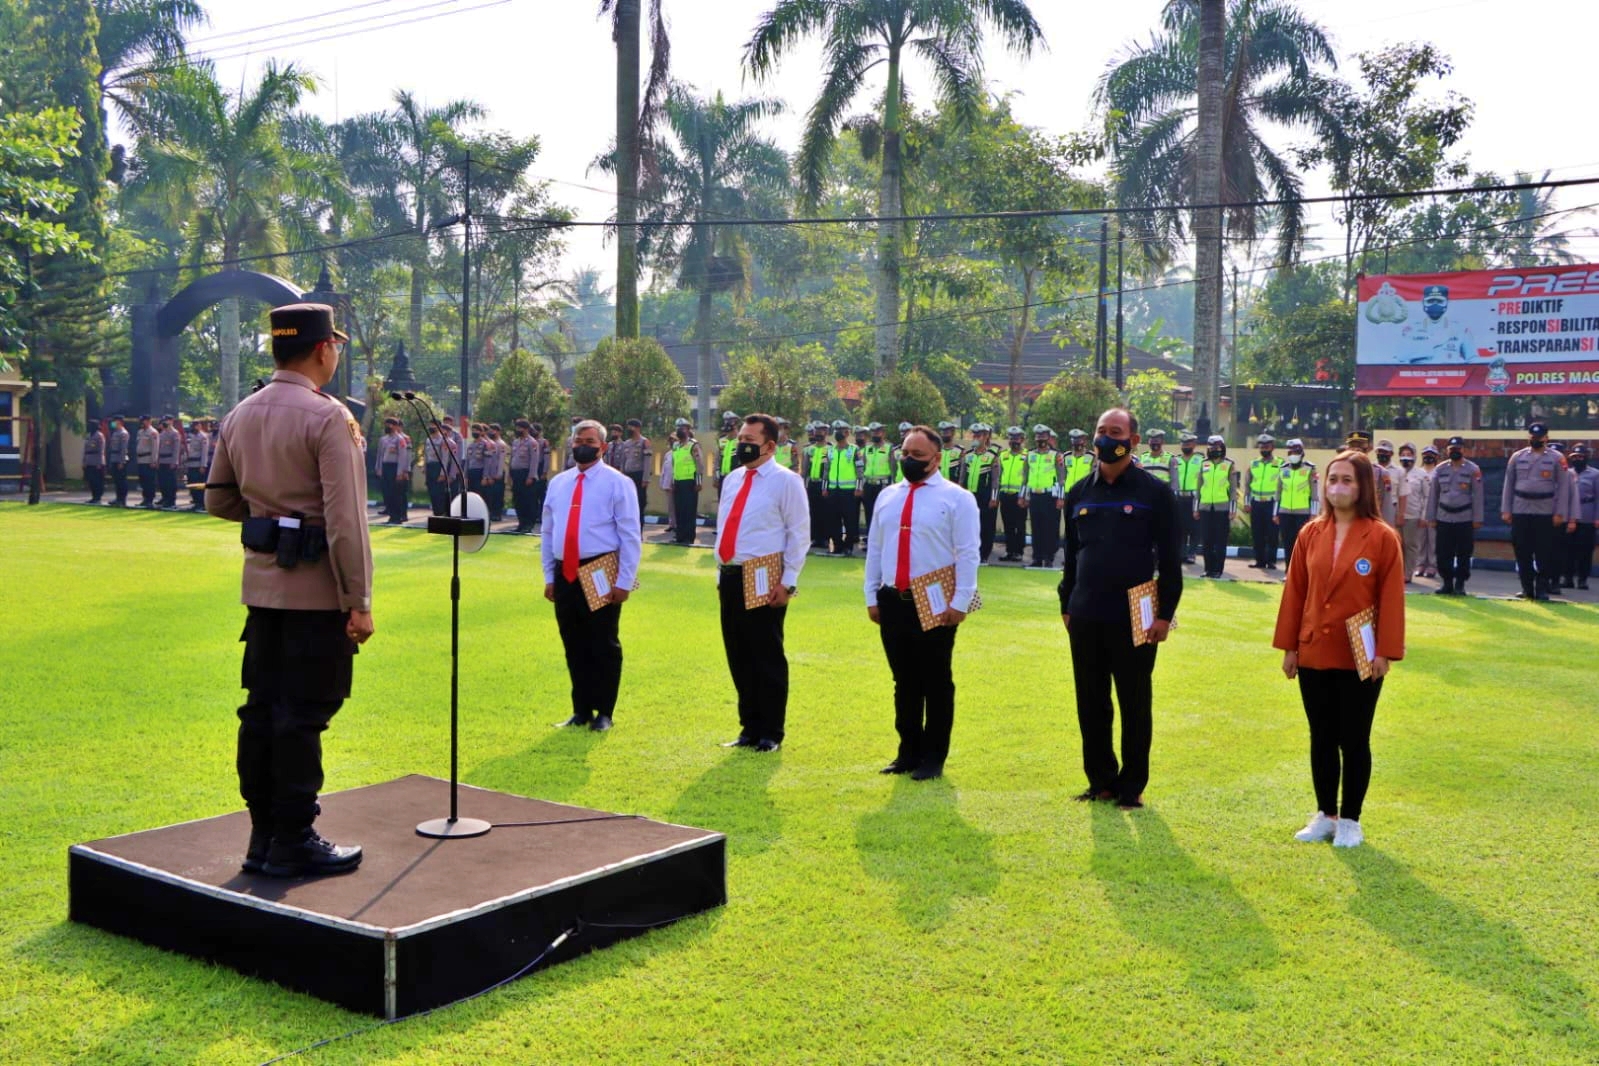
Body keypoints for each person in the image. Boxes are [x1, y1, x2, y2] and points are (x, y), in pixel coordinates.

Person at [205, 302, 373, 878]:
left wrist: (271, 520)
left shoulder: (241, 412)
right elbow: (346, 519)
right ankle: (295, 838)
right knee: (303, 714)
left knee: (261, 711)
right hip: (316, 596)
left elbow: (218, 499)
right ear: (323, 349)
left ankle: (263, 836)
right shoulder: (329, 417)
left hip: (263, 594)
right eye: (337, 347)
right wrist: (359, 600)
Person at [1272, 449, 1405, 849]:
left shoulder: (1382, 537)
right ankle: (1325, 814)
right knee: (1321, 736)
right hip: (1314, 649)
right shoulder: (1310, 533)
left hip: (1360, 655)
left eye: (1347, 480)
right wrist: (1289, 647)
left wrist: (1385, 651)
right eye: (1332, 480)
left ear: (1364, 486)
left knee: (1354, 737)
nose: (1337, 488)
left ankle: (1351, 819)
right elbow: (1295, 592)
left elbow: (1392, 600)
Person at [1060, 407, 1182, 809]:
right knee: (1091, 701)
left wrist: (1165, 614)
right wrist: (1066, 604)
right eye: (1100, 431)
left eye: (1115, 432)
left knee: (1134, 702)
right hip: (1086, 612)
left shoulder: (1154, 492)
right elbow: (1072, 558)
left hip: (1137, 615)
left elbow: (1170, 560)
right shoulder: (1079, 492)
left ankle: (1132, 787)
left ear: (1133, 440)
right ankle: (1101, 781)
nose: (1105, 438)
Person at [864, 424, 980, 781]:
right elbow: (876, 547)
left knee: (936, 681)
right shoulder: (887, 496)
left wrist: (960, 601)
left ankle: (933, 757)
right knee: (904, 681)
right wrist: (872, 594)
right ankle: (907, 752)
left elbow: (967, 552)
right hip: (893, 599)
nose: (909, 460)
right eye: (905, 454)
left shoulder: (957, 498)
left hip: (935, 601)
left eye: (918, 456)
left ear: (937, 458)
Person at [714, 414, 809, 753]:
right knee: (738, 653)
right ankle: (748, 727)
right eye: (740, 437)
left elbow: (799, 534)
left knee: (766, 655)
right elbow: (728, 526)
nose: (742, 444)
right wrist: (719, 571)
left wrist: (789, 581)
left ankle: (771, 732)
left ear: (770, 445)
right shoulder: (734, 479)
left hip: (765, 575)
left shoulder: (787, 481)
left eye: (750, 439)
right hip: (731, 574)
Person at [541, 419, 641, 732]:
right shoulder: (559, 482)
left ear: (603, 447)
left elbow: (630, 535)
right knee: (573, 641)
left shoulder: (618, 483)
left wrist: (624, 581)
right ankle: (581, 709)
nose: (583, 445)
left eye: (590, 441)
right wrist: (548, 575)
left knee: (603, 642)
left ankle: (604, 712)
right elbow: (548, 530)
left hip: (600, 570)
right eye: (578, 440)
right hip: (564, 570)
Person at [1501, 421, 1569, 600]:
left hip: (1545, 510)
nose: (1536, 440)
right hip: (1520, 508)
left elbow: (1563, 487)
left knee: (1544, 552)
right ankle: (1527, 588)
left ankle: (1541, 588)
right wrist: (1506, 510)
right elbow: (1509, 484)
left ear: (1546, 438)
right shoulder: (1517, 457)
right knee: (1522, 551)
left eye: (1539, 437)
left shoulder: (1557, 458)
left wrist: (1559, 512)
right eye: (1533, 437)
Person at [1423, 435, 1484, 596]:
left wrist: (1477, 518)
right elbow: (1433, 495)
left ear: (1463, 450)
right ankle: (1447, 583)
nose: (1455, 451)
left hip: (1464, 517)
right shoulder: (1440, 469)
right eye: (1452, 449)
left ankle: (1460, 584)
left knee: (1464, 553)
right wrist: (1431, 517)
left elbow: (1478, 495)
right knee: (1443, 552)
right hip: (1443, 517)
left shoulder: (1473, 469)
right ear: (1447, 450)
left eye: (1457, 449)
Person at [1195, 435, 1237, 578]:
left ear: (1222, 448)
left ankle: (1218, 570)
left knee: (1220, 540)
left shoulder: (1229, 464)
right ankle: (1208, 569)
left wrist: (1232, 510)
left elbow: (1232, 490)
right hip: (1205, 507)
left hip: (1222, 508)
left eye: (1217, 447)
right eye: (1211, 447)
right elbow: (1198, 487)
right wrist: (1196, 508)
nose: (1214, 450)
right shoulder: (1204, 464)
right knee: (1207, 540)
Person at [1022, 424, 1062, 568]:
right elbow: (1025, 477)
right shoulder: (1030, 455)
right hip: (1034, 495)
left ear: (1048, 437)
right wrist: (1023, 496)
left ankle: (1049, 557)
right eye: (1038, 436)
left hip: (1050, 496)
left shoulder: (1055, 455)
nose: (1040, 439)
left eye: (1043, 436)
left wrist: (1060, 498)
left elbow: (1061, 478)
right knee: (1036, 527)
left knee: (1050, 528)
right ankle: (1037, 557)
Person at [1274, 438, 1318, 568]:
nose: (1293, 454)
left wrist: (1314, 514)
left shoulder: (1310, 468)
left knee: (1302, 544)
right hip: (1285, 512)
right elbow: (1278, 493)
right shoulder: (1283, 469)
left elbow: (1314, 494)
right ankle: (1289, 571)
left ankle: (1302, 571)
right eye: (1290, 452)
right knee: (1288, 543)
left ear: (1301, 452)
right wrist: (1275, 513)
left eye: (1296, 452)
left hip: (1303, 512)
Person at [823, 419, 862, 555]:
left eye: (840, 431)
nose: (838, 433)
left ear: (847, 432)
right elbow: (826, 470)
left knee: (850, 519)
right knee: (833, 519)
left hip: (849, 491)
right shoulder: (830, 450)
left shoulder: (854, 450)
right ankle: (837, 546)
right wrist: (825, 487)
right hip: (833, 490)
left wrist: (859, 487)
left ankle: (848, 547)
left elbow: (859, 470)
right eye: (836, 431)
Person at [1243, 433, 1281, 569]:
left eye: (1267, 446)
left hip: (1272, 503)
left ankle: (1271, 561)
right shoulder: (1254, 464)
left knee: (1272, 534)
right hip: (1256, 503)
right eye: (1262, 446)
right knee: (1257, 533)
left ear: (1272, 447)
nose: (1264, 448)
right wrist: (1247, 502)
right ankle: (1259, 560)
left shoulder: (1280, 464)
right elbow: (1247, 484)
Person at [964, 423, 1000, 562]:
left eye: (979, 435)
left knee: (986, 525)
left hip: (985, 496)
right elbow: (962, 477)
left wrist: (994, 498)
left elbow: (996, 480)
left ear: (986, 437)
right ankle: (972, 553)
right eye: (974, 435)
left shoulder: (992, 456)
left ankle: (984, 554)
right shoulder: (968, 455)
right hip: (970, 495)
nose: (976, 437)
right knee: (970, 526)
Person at [1564, 443, 1597, 589]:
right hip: (1569, 515)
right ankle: (1568, 579)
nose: (1578, 459)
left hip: (1587, 514)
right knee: (1567, 549)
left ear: (1586, 458)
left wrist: (1597, 517)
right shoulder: (1567, 473)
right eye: (1575, 457)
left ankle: (1583, 579)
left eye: (1580, 456)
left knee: (1585, 550)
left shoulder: (1595, 474)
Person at [996, 426, 1029, 562]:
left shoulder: (1028, 455)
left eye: (1016, 438)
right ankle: (1009, 551)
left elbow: (1028, 478)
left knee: (1020, 525)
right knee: (1008, 524)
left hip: (1019, 495)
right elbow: (999, 476)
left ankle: (1019, 552)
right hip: (1005, 494)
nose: (1013, 440)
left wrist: (1024, 496)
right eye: (1011, 437)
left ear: (1022, 439)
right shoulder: (1003, 455)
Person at [668, 417, 703, 545]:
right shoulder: (676, 445)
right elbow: (674, 464)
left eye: (682, 428)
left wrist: (699, 482)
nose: (679, 430)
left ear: (688, 430)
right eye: (677, 428)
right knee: (679, 510)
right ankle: (680, 536)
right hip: (678, 482)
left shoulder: (693, 444)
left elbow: (699, 464)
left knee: (689, 510)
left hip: (690, 482)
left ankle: (689, 537)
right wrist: (672, 481)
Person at [1397, 442, 1429, 581]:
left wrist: (1424, 516)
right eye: (1403, 455)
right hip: (1396, 515)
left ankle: (1408, 573)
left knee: (1410, 545)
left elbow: (1427, 496)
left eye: (1409, 455)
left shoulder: (1421, 474)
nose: (1406, 458)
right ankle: (1397, 572)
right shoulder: (1396, 472)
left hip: (1413, 515)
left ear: (1415, 456)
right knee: (1397, 545)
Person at [860, 422, 893, 547]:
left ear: (883, 433)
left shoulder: (889, 448)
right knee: (869, 513)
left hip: (883, 485)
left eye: (878, 432)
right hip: (868, 484)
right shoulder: (867, 449)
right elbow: (863, 468)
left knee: (882, 513)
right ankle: (871, 540)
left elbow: (893, 468)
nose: (875, 434)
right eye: (873, 432)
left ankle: (882, 541)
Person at [1175, 432, 1203, 563]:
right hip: (1179, 497)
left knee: (1194, 527)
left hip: (1194, 498)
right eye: (1183, 443)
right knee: (1180, 527)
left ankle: (1192, 553)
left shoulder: (1201, 460)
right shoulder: (1176, 460)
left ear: (1194, 444)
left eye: (1188, 443)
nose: (1186, 445)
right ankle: (1181, 554)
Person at [1413, 445, 1440, 578]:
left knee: (1433, 540)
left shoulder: (1439, 471)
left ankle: (1432, 565)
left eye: (1431, 454)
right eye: (1426, 454)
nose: (1428, 457)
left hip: (1435, 509)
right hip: (1420, 509)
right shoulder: (1418, 472)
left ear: (1436, 456)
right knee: (1420, 539)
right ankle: (1420, 564)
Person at [802, 422, 830, 549]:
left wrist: (826, 485)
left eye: (822, 431)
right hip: (811, 484)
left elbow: (829, 469)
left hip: (823, 485)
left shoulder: (830, 449)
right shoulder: (809, 449)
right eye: (817, 431)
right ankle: (814, 538)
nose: (819, 433)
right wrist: (803, 484)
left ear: (826, 433)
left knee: (824, 512)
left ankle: (824, 539)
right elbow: (805, 468)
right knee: (812, 512)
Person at [617, 418, 651, 523]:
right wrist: (621, 475)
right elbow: (623, 461)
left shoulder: (644, 442)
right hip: (628, 476)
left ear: (638, 428)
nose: (629, 429)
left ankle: (639, 527)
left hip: (639, 476)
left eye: (631, 427)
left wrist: (645, 478)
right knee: (627, 502)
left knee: (640, 502)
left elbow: (647, 461)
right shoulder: (626, 443)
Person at [377, 418, 408, 525]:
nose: (387, 427)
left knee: (396, 493)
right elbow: (380, 455)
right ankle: (391, 516)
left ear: (395, 426)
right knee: (387, 492)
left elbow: (402, 457)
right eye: (386, 425)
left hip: (394, 467)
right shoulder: (383, 439)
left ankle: (397, 517)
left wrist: (400, 472)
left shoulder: (400, 439)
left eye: (389, 425)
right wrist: (379, 468)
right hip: (385, 467)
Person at [1372, 438, 1407, 529]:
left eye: (1385, 452)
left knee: (1388, 533)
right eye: (1380, 451)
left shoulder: (1399, 471)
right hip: (1372, 507)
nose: (1382, 454)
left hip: (1390, 508)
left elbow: (1402, 495)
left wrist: (1400, 515)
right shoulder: (1370, 468)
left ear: (1391, 454)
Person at [481, 423, 507, 522]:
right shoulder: (489, 444)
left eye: (494, 430)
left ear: (498, 432)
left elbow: (501, 461)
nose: (491, 432)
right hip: (489, 474)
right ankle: (491, 513)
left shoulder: (501, 444)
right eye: (490, 430)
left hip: (497, 474)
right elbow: (487, 461)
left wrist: (498, 474)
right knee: (489, 495)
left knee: (497, 496)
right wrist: (486, 475)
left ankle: (497, 514)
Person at [156, 415, 182, 509]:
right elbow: (159, 448)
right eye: (164, 420)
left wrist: (174, 462)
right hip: (162, 460)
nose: (165, 422)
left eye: (167, 420)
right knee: (162, 481)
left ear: (171, 421)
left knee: (170, 482)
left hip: (170, 460)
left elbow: (176, 449)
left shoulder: (174, 433)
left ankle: (171, 500)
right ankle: (165, 498)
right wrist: (157, 460)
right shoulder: (162, 433)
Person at [185, 419, 210, 510]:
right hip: (190, 464)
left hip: (198, 464)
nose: (194, 427)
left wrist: (203, 465)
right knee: (191, 484)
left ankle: (201, 503)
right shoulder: (189, 436)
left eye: (196, 425)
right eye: (193, 426)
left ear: (199, 426)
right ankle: (196, 502)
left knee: (198, 484)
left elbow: (204, 452)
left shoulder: (203, 437)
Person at [135, 414, 158, 508]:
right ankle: (145, 499)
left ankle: (150, 500)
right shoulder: (140, 432)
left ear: (149, 421)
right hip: (141, 460)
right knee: (143, 480)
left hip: (148, 460)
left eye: (143, 420)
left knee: (149, 481)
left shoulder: (153, 432)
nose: (142, 422)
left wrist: (153, 461)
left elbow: (155, 448)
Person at [82, 419, 106, 504]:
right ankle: (93, 496)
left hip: (97, 461)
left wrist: (99, 463)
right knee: (91, 480)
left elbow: (101, 450)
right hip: (89, 460)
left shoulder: (99, 436)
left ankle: (98, 497)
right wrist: (84, 461)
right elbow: (85, 449)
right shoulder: (88, 436)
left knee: (97, 480)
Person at [107, 415, 130, 506]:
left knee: (121, 480)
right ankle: (118, 498)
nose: (112, 423)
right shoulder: (115, 433)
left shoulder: (123, 433)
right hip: (114, 458)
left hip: (120, 459)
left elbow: (123, 449)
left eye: (114, 421)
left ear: (119, 422)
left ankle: (122, 499)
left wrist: (121, 461)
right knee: (116, 480)